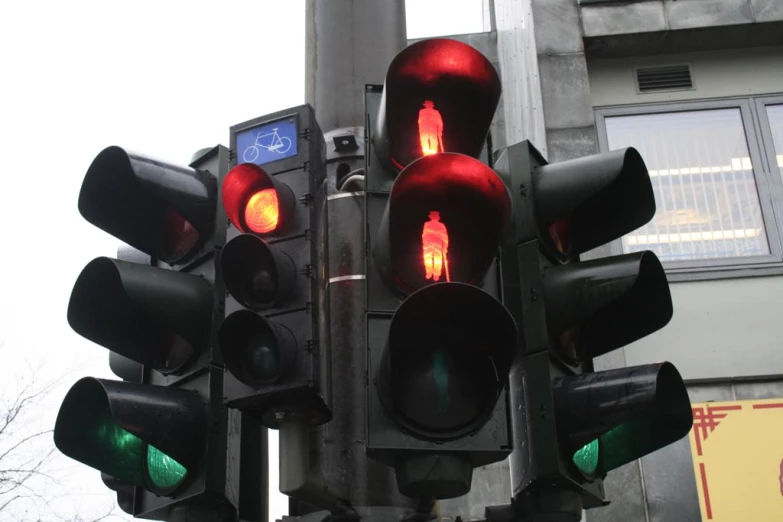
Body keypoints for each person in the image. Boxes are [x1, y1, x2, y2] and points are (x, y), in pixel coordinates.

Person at [422, 210, 449, 282]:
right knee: (428, 259)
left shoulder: (441, 225)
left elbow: (445, 237)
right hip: (428, 245)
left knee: (437, 260)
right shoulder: (426, 224)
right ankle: (429, 272)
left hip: (437, 245)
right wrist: (424, 244)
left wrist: (445, 247)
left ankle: (436, 274)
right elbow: (424, 235)